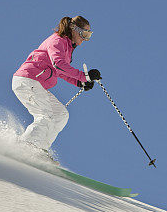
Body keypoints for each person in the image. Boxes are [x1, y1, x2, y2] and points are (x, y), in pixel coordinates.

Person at [12, 15, 101, 159]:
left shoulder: (67, 48)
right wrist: (83, 76)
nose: (85, 38)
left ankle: (39, 151)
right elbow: (58, 64)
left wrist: (79, 82)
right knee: (45, 116)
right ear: (74, 29)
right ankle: (23, 147)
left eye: (89, 35)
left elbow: (60, 71)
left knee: (61, 114)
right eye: (84, 34)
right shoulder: (57, 40)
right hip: (27, 80)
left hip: (36, 84)